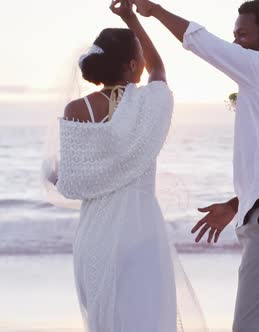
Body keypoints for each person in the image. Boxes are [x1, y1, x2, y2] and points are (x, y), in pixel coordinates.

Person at [131, 0, 259, 331]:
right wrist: (236, 203)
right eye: (234, 35)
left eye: (242, 35)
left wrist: (154, 10)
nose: (234, 43)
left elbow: (202, 42)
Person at [55, 1, 184, 331]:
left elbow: (71, 182)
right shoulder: (149, 102)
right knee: (147, 318)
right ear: (132, 64)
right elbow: (159, 69)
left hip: (96, 232)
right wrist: (131, 18)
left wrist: (57, 175)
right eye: (138, 55)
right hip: (141, 230)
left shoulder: (77, 109)